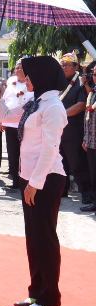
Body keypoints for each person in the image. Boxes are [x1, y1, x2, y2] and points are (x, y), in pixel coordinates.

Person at [0, 56, 67, 306]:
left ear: (42, 77)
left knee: (44, 238)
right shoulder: (35, 103)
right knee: (33, 237)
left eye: (30, 74)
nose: (26, 78)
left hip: (46, 179)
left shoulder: (53, 107)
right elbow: (7, 116)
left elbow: (50, 148)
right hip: (30, 178)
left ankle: (49, 297)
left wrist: (34, 183)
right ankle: (36, 291)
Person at [58, 52, 90, 203]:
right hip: (59, 130)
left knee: (77, 164)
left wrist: (61, 114)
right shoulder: (59, 81)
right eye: (61, 64)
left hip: (74, 130)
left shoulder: (80, 83)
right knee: (60, 162)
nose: (62, 67)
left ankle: (87, 195)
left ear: (75, 66)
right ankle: (61, 191)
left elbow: (81, 105)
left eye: (66, 65)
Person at [0, 58, 33, 191]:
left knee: (23, 153)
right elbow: (5, 101)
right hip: (10, 123)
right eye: (17, 68)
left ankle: (25, 180)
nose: (18, 70)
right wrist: (1, 120)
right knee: (12, 153)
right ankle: (15, 180)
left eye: (21, 68)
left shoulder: (31, 83)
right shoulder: (10, 82)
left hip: (24, 124)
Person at [82, 68, 96, 213]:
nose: (94, 77)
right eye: (94, 74)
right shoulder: (93, 92)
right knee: (93, 174)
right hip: (91, 141)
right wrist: (86, 138)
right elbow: (88, 116)